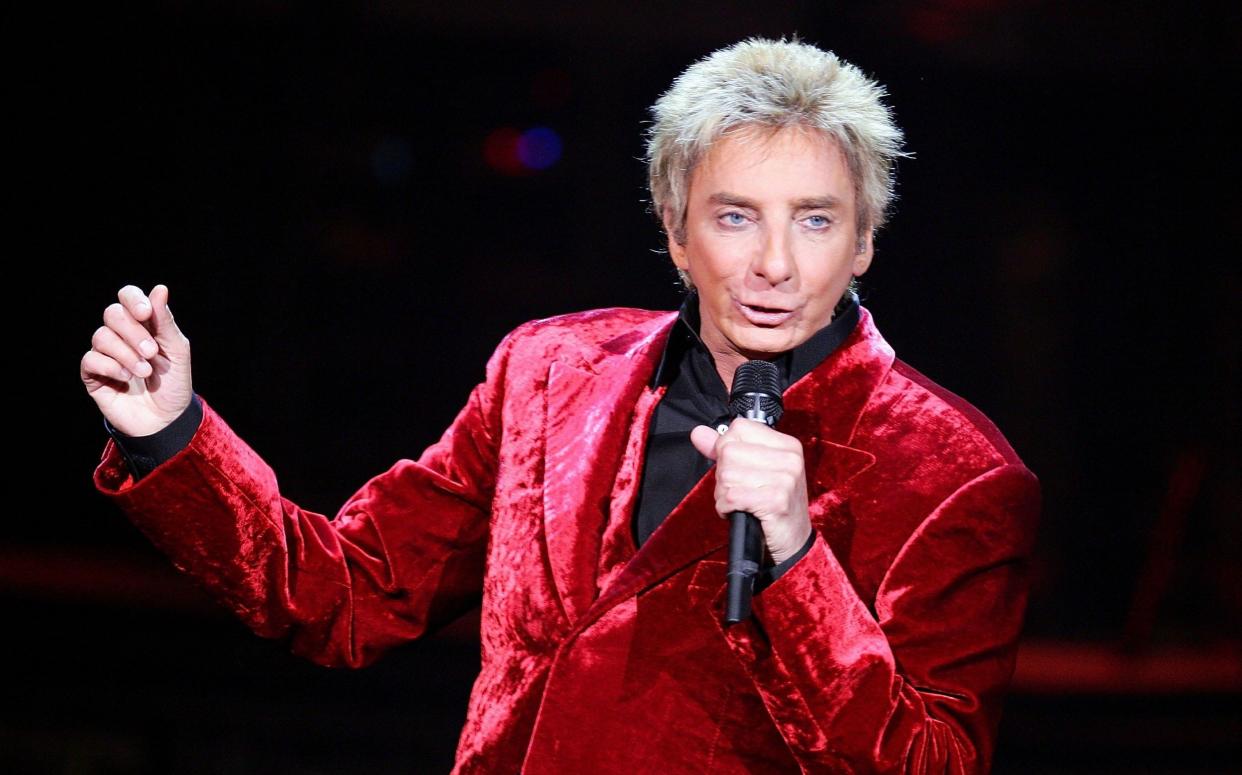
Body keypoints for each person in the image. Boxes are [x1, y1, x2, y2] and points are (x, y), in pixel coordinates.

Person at [82, 37, 1040, 773]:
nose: (776, 265)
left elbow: (936, 762)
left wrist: (795, 560)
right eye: (736, 216)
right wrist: (172, 433)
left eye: (817, 220)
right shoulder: (548, 372)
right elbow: (350, 593)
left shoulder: (954, 473)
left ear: (866, 242)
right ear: (675, 230)